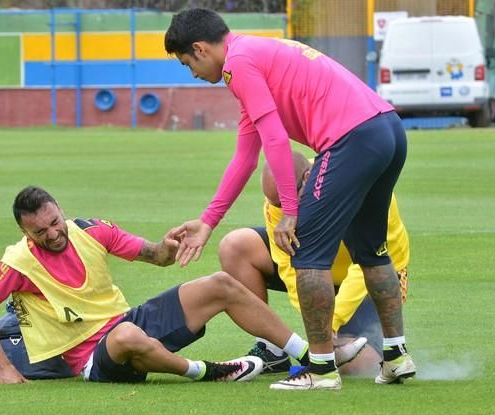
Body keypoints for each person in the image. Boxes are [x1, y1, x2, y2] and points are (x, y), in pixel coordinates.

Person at [164, 8, 416, 390]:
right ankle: (397, 357)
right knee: (371, 249)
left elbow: (277, 143)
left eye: (187, 64)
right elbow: (246, 157)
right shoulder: (256, 55)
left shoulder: (238, 64)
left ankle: (320, 369)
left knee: (308, 253)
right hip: (387, 129)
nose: (193, 73)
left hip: (352, 138)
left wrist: (291, 212)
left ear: (199, 49)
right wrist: (208, 221)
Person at [0, 186, 319, 384]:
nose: (52, 234)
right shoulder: (19, 262)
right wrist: (4, 368)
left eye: (54, 222)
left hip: (130, 323)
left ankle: (313, 356)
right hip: (94, 360)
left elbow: (155, 255)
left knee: (220, 284)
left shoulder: (92, 230)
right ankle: (209, 372)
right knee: (125, 337)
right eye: (40, 232)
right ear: (25, 233)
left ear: (61, 210)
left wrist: (167, 248)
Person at [219, 152, 410, 376]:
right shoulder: (277, 204)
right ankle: (272, 349)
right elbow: (289, 267)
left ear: (308, 178)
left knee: (357, 365)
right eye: (276, 204)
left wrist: (333, 320)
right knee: (235, 246)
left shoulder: (363, 188)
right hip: (319, 275)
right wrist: (318, 321)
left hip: (371, 281)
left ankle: (387, 351)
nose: (283, 211)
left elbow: (369, 264)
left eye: (286, 202)